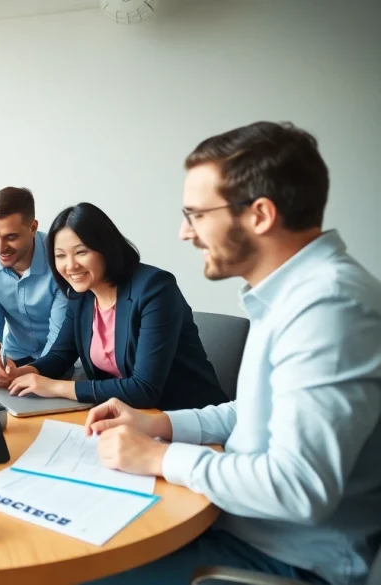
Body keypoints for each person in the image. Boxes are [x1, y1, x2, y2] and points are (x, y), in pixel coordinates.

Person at [86, 122, 381, 585]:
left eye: (197, 214)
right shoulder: (292, 294)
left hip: (284, 560)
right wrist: (159, 424)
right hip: (236, 528)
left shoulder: (330, 306)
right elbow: (261, 412)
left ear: (260, 215)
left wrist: (158, 458)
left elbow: (298, 488)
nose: (185, 232)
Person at [3, 202, 226, 411]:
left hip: (187, 419)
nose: (70, 265)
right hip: (129, 418)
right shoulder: (82, 295)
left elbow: (144, 389)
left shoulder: (155, 289)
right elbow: (61, 356)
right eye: (60, 256)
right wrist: (22, 373)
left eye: (81, 252)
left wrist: (54, 387)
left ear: (105, 248)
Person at [0, 187, 68, 386]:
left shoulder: (61, 258)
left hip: (61, 361)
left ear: (33, 228)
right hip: (14, 357)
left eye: (11, 237)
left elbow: (58, 336)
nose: (0, 248)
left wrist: (27, 374)